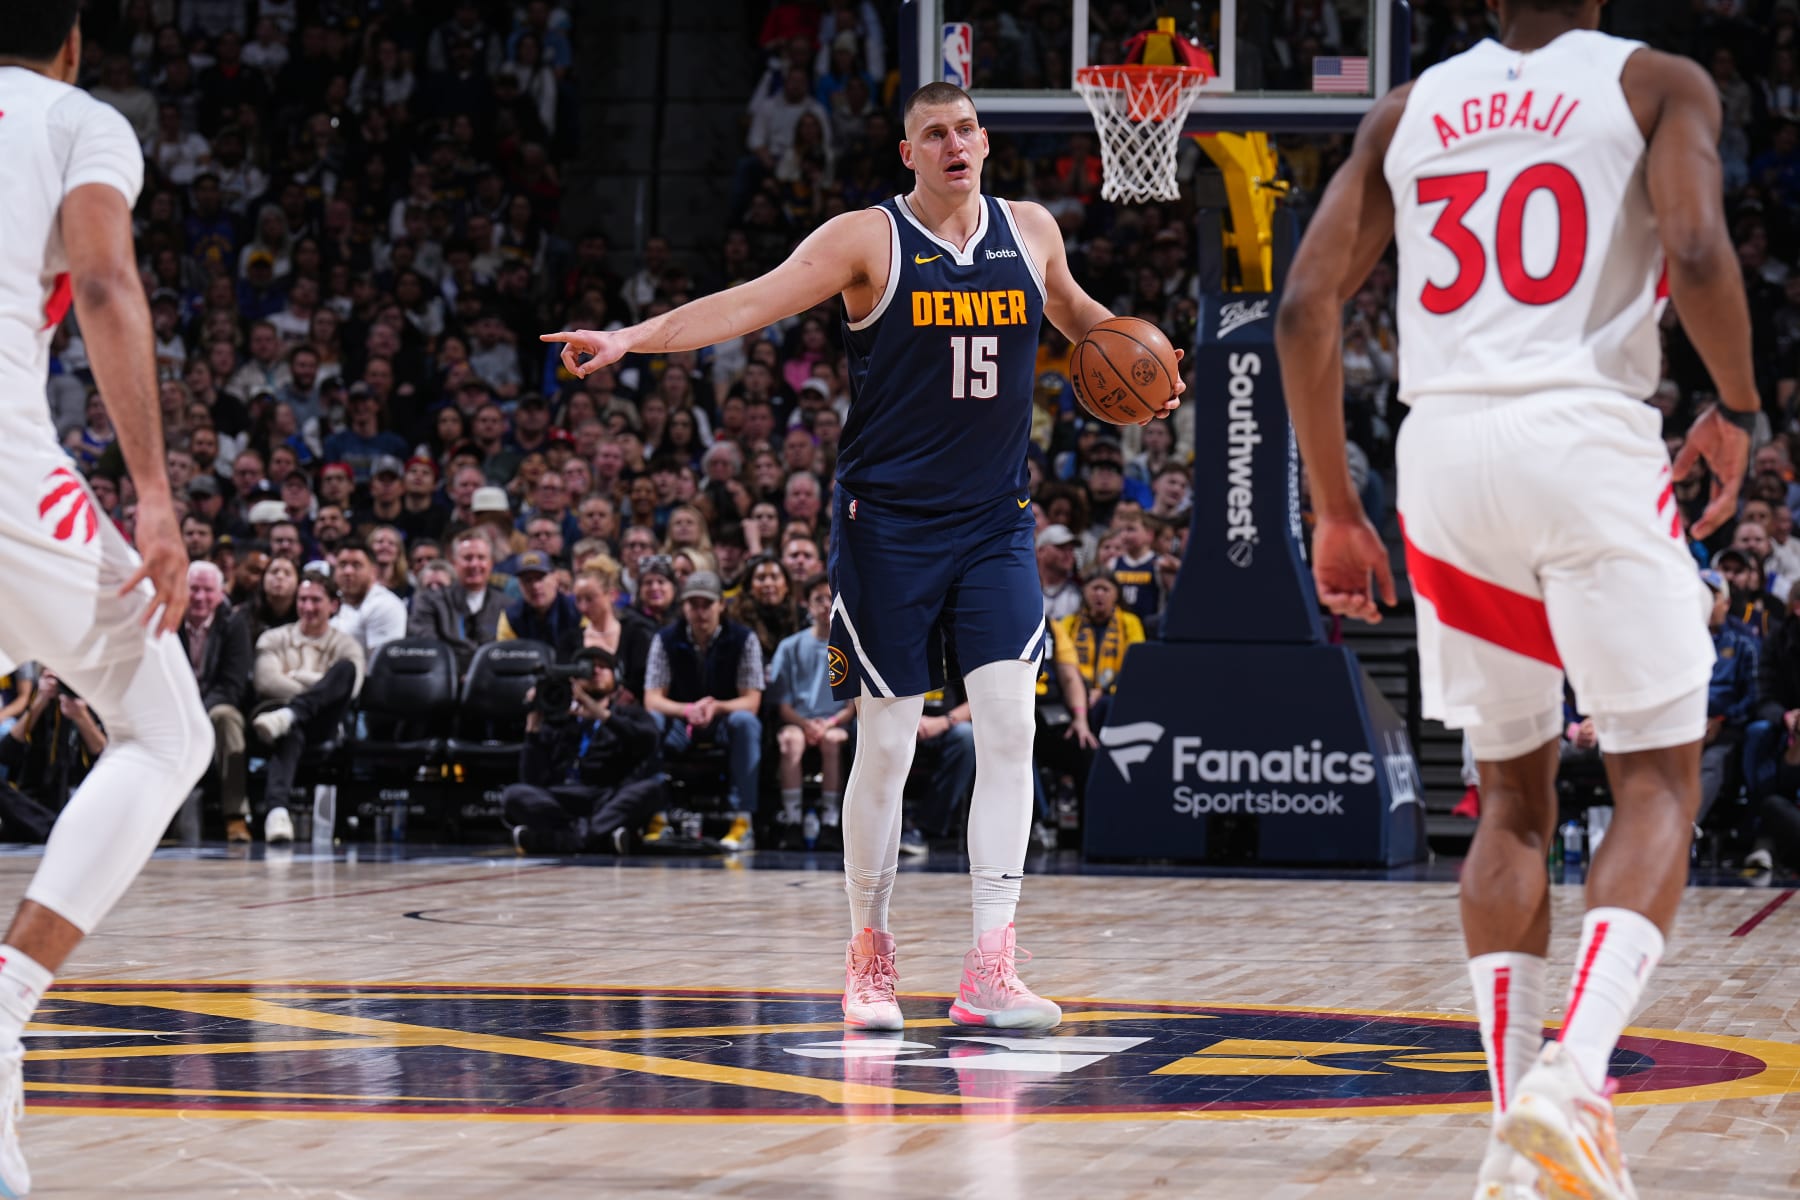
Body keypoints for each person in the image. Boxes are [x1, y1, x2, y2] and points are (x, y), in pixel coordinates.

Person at [545, 80, 1179, 1033]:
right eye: (936, 134)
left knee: (1009, 731)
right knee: (883, 746)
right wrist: (632, 337)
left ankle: (990, 967)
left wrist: (1154, 373)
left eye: (967, 129)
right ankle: (870, 956)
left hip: (997, 523)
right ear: (908, 153)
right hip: (887, 527)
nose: (956, 144)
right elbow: (748, 304)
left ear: (984, 140)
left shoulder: (1032, 231)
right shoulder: (866, 241)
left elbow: (1087, 322)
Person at [1276, 4, 1758, 1197]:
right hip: (1583, 435)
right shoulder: (1656, 81)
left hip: (1444, 453)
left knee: (1511, 800)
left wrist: (1338, 508)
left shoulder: (1407, 108)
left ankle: (1517, 1139)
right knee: (1656, 781)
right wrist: (1739, 409)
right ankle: (1574, 1078)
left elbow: (1301, 309)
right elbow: (1695, 251)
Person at [0, 9, 216, 1193]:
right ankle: (8, 1002)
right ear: (72, 39)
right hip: (5, 471)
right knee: (166, 731)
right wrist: (152, 493)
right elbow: (104, 279)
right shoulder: (76, 121)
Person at [499, 646, 664, 855]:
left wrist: (601, 715)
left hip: (605, 798)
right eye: (587, 667)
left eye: (603, 667)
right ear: (574, 679)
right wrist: (533, 728)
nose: (595, 671)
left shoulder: (629, 715)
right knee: (513, 794)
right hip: (560, 799)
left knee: (652, 789)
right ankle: (596, 839)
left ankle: (552, 840)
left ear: (617, 677)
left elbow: (649, 740)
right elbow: (531, 779)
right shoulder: (558, 717)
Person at [641, 570, 764, 846]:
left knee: (746, 723)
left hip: (723, 721)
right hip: (681, 721)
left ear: (721, 604)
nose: (700, 612)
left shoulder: (744, 639)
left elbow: (751, 701)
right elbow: (653, 699)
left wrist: (716, 707)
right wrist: (687, 710)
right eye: (693, 605)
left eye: (706, 604)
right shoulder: (665, 639)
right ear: (683, 607)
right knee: (651, 722)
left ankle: (742, 820)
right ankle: (656, 815)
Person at [251, 571, 365, 843]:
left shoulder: (346, 644)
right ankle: (278, 812)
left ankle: (291, 715)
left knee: (345, 670)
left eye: (316, 600)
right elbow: (267, 682)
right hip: (272, 712)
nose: (308, 607)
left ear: (333, 606)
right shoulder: (272, 638)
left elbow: (353, 687)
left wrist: (296, 676)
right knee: (289, 731)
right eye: (302, 599)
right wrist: (321, 686)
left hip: (323, 724)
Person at [768, 573, 856, 845]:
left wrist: (828, 724)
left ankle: (830, 821)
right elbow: (781, 704)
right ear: (806, 604)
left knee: (832, 742)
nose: (825, 605)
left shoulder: (849, 645)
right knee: (790, 741)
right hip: (799, 721)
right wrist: (806, 725)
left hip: (834, 722)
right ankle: (793, 819)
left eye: (830, 598)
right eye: (818, 599)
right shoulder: (790, 646)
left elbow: (853, 705)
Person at [178, 561, 253, 844]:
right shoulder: (168, 621)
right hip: (174, 705)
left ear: (220, 594)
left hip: (212, 705)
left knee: (226, 718)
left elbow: (232, 686)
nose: (199, 597)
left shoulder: (234, 625)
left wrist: (194, 712)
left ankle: (235, 816)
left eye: (207, 590)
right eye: (193, 589)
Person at [329, 538, 408, 660]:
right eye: (342, 565)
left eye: (356, 565)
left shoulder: (385, 605)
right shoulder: (330, 601)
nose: (348, 571)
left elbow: (380, 665)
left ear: (373, 572)